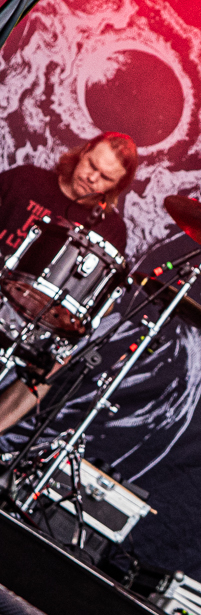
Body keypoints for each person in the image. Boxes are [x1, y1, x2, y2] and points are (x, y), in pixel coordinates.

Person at [0, 133, 139, 432]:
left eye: (105, 178)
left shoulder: (111, 228)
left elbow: (99, 298)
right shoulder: (25, 180)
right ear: (84, 151)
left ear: (117, 186)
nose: (92, 178)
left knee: (55, 362)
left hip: (35, 317)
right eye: (91, 165)